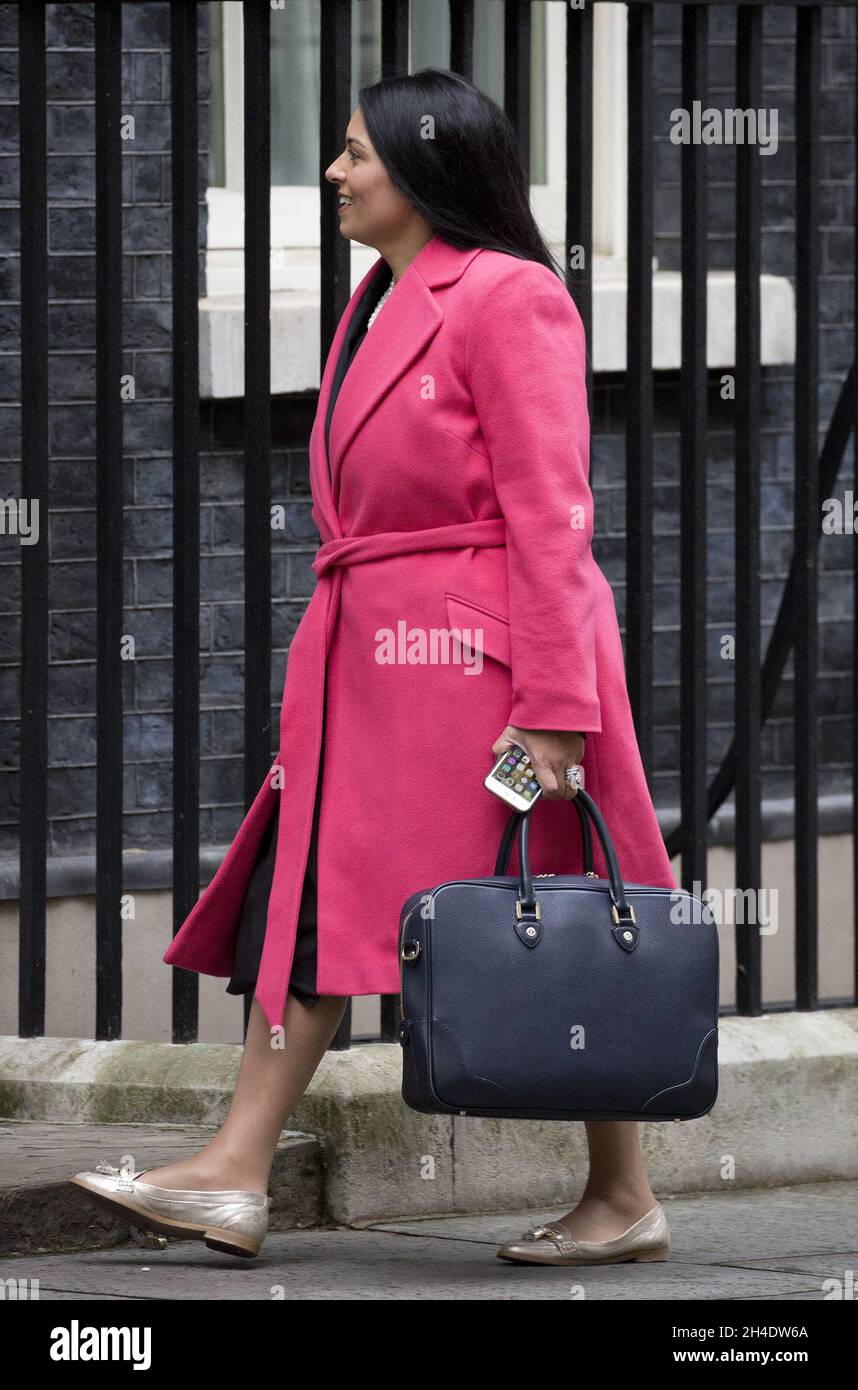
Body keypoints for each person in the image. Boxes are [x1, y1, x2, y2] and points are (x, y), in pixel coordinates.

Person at [69, 68, 675, 1267]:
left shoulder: (510, 298)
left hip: (485, 671)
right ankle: (238, 1170)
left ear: (428, 165)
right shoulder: (373, 302)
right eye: (339, 150)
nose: (335, 173)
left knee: (558, 904)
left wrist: (555, 711)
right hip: (374, 668)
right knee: (313, 899)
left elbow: (554, 514)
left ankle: (624, 1191)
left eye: (356, 154)